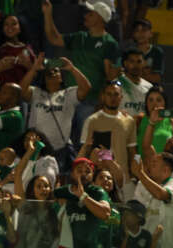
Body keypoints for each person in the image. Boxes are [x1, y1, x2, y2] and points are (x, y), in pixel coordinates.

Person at [40, 0, 117, 143]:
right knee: (61, 140)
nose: (86, 16)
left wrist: (101, 103)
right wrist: (48, 14)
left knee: (82, 142)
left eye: (91, 14)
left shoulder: (109, 43)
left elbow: (111, 77)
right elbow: (54, 38)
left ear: (100, 18)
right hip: (69, 98)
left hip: (91, 102)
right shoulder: (79, 37)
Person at [20, 55, 91, 165]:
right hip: (37, 148)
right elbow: (21, 90)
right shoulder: (36, 92)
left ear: (61, 77)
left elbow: (86, 88)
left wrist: (72, 68)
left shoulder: (68, 94)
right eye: (48, 71)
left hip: (60, 149)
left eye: (56, 71)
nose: (52, 72)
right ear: (44, 77)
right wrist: (34, 68)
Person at [130, 152, 173, 248]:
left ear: (165, 170)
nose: (149, 166)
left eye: (154, 164)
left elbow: (161, 195)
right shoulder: (141, 184)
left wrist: (140, 174)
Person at [79, 82, 136, 190]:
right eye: (109, 94)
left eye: (116, 94)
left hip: (125, 181)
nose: (112, 98)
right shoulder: (92, 121)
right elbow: (84, 153)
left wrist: (135, 176)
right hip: (100, 181)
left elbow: (133, 152)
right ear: (103, 96)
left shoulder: (129, 120)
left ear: (121, 97)